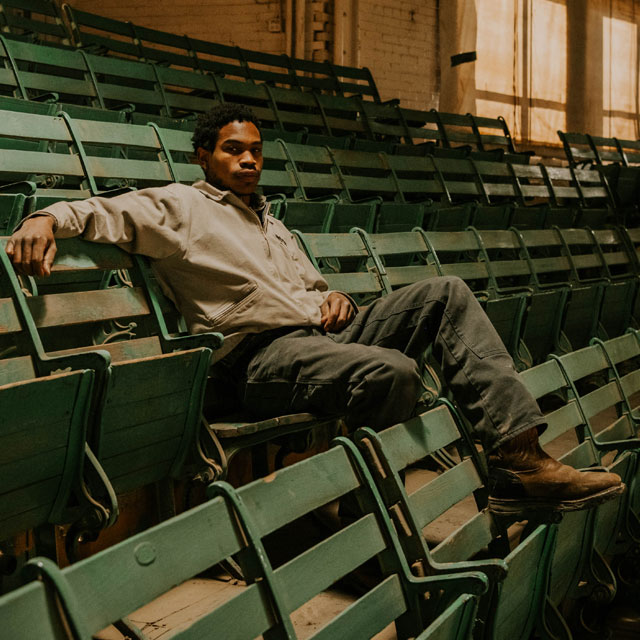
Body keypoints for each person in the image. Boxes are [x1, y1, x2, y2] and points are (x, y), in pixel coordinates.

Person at [5, 103, 624, 514]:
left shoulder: (274, 224)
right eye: (231, 150)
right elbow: (107, 210)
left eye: (255, 151)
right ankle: (363, 508)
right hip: (251, 358)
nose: (247, 160)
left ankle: (520, 459)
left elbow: (308, 285)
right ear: (204, 157)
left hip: (315, 336)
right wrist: (45, 217)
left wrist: (331, 295)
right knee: (393, 372)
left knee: (448, 292)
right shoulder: (180, 207)